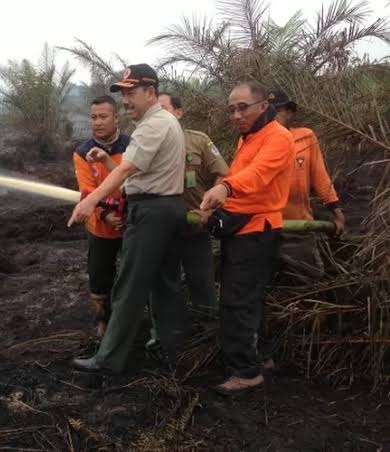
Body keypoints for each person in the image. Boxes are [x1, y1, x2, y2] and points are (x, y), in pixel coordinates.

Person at [68, 64, 186, 374]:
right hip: (168, 208)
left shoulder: (152, 125)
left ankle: (108, 360)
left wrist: (91, 200)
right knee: (165, 284)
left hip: (152, 212)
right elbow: (131, 170)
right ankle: (168, 349)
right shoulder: (164, 122)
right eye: (123, 94)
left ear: (151, 92)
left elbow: (126, 171)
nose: (127, 101)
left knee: (128, 288)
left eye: (131, 93)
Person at [199, 81, 295, 394]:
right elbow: (237, 175)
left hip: (257, 231)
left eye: (243, 108)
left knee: (237, 301)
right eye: (232, 109)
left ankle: (245, 371)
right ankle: (259, 357)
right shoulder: (249, 138)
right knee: (251, 298)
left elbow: (256, 175)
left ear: (263, 106)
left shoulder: (278, 137)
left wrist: (225, 188)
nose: (236, 115)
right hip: (243, 228)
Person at [143, 92, 230, 357]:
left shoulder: (198, 141)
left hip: (196, 228)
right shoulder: (147, 141)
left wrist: (209, 206)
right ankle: (166, 336)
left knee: (201, 282)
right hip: (161, 232)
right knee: (163, 285)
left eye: (164, 109)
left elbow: (224, 174)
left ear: (179, 113)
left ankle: (209, 335)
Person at [269, 90, 345, 280]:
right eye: (270, 111)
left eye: (279, 110)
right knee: (270, 283)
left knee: (309, 279)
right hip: (265, 227)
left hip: (299, 225)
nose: (275, 115)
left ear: (289, 113)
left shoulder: (305, 138)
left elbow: (320, 176)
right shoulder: (252, 141)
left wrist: (336, 211)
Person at [73, 95, 130, 337]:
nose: (97, 122)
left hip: (131, 224)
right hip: (100, 227)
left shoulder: (131, 146)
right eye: (93, 117)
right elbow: (86, 190)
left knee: (132, 274)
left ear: (116, 117)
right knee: (99, 277)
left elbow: (136, 181)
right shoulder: (82, 152)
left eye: (103, 116)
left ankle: (130, 319)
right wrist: (105, 214)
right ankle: (102, 322)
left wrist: (126, 212)